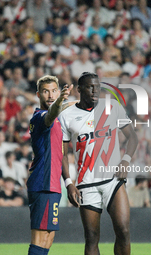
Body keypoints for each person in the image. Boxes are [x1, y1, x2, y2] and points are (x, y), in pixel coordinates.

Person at [59, 72, 138, 255]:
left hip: (113, 181)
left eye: (98, 86)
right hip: (87, 184)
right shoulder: (67, 116)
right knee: (92, 238)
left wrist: (125, 160)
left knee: (124, 231)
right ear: (79, 90)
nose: (95, 90)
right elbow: (63, 154)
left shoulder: (112, 106)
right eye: (90, 87)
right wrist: (69, 183)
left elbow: (132, 137)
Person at [27, 75, 73, 255]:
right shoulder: (40, 117)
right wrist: (61, 99)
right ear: (38, 94)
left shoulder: (57, 119)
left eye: (54, 90)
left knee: (48, 238)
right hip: (42, 183)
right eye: (46, 91)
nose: (50, 95)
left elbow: (61, 154)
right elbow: (53, 112)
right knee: (39, 239)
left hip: (53, 184)